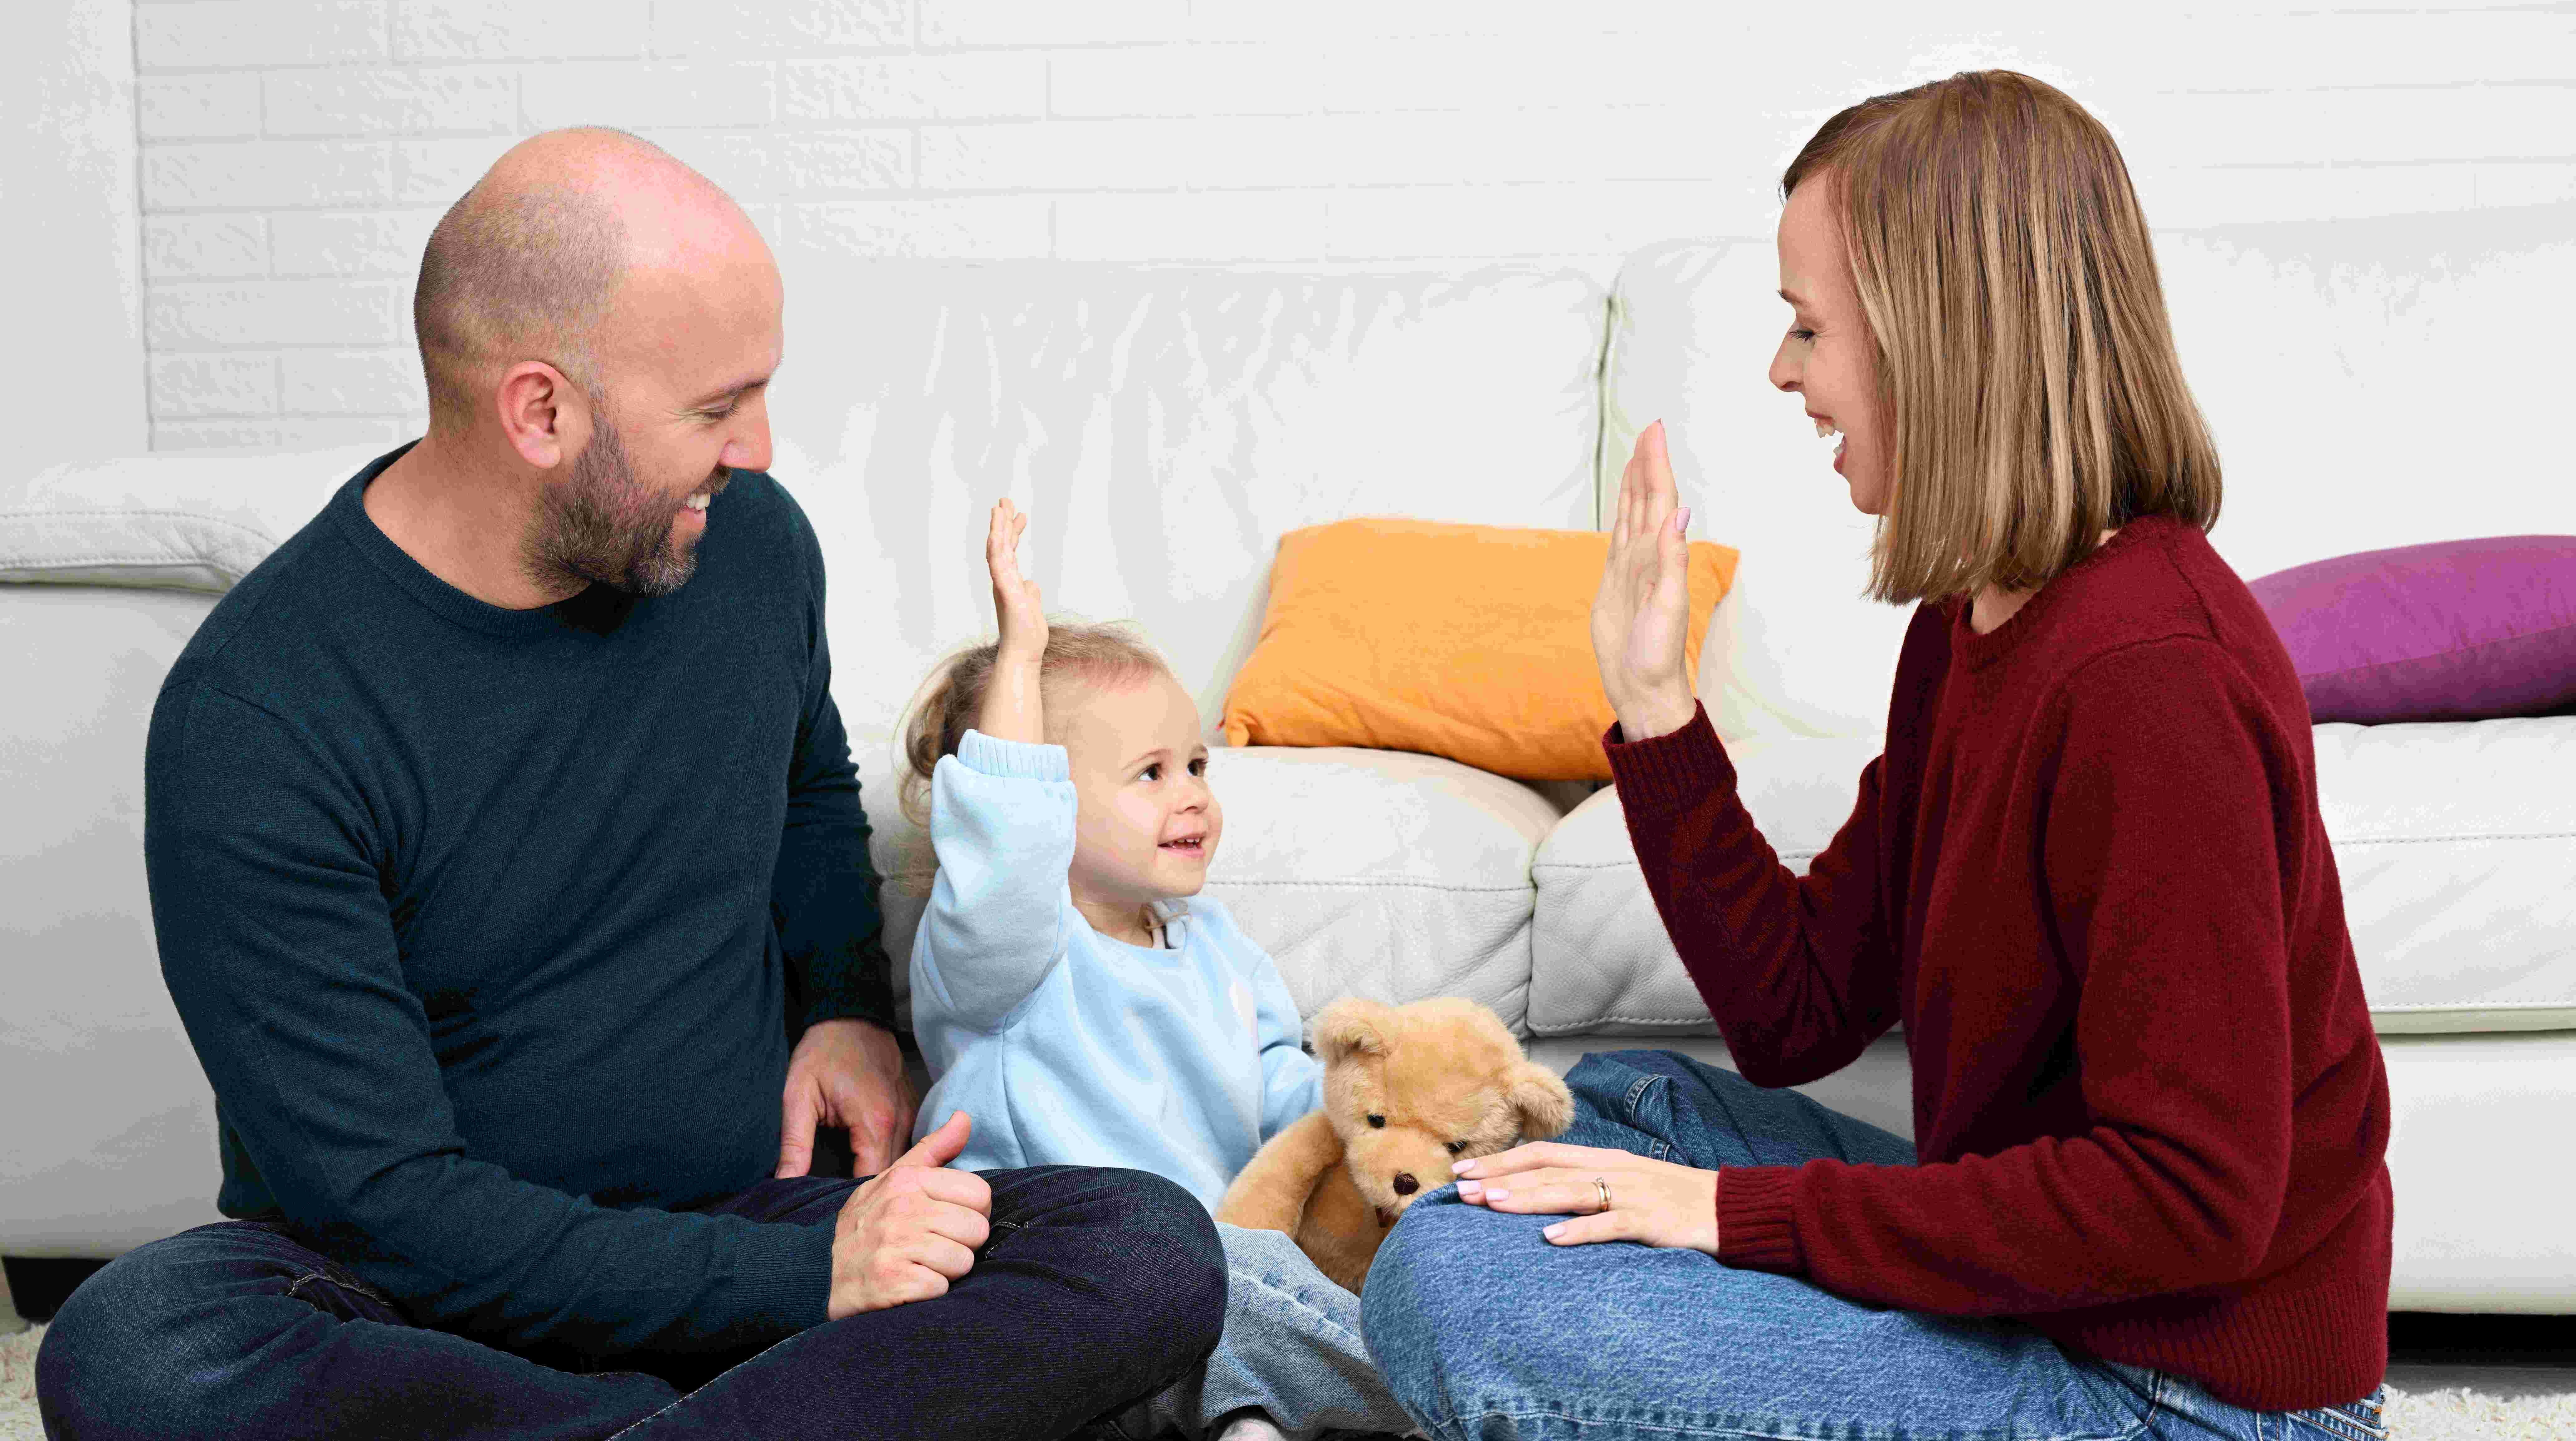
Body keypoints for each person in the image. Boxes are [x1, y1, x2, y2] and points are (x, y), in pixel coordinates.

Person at [36, 127, 1224, 1441]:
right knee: (138, 1347)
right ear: (540, 413)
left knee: (1147, 1244)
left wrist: (846, 1007)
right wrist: (803, 1286)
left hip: (747, 1213)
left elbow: (807, 786)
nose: (758, 448)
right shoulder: (260, 713)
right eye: (717, 410)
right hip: (417, 1287)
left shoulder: (751, 550)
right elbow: (383, 1203)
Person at [1360, 71, 2393, 1440]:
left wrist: (1735, 1217)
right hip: (2048, 1311)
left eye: (1808, 326)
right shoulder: (1970, 628)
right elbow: (1795, 1016)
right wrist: (1655, 703)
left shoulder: (2155, 682)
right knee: (1604, 1108)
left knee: (1462, 1282)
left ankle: (1300, 1347)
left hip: (2181, 1397)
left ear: (1937, 335)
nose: (1782, 372)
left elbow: (2192, 1200)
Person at [891, 499, 1422, 1441]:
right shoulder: (1006, 956)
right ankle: (1443, 1390)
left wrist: (1378, 1115)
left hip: (1207, 1274)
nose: (1193, 798)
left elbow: (1280, 1091)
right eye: (1151, 773)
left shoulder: (1213, 942)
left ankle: (1254, 1416)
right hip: (1054, 1264)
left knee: (1269, 1283)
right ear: (1047, 802)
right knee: (1235, 1290)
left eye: (1198, 766)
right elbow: (1007, 853)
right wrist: (1021, 662)